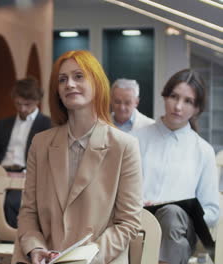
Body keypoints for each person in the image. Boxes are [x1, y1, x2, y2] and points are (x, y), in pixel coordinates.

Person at [12, 50, 142, 264]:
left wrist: (86, 258)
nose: (69, 84)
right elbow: (28, 213)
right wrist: (35, 248)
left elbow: (127, 223)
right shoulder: (40, 143)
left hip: (98, 260)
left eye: (78, 76)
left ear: (97, 83)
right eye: (62, 80)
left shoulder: (124, 146)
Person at [133, 69, 220, 264]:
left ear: (197, 108)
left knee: (171, 214)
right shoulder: (135, 139)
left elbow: (212, 211)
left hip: (181, 230)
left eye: (188, 101)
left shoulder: (203, 151)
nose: (178, 106)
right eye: (174, 97)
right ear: (165, 96)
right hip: (138, 226)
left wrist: (183, 213)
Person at [0, 77, 51, 228]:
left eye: (27, 105)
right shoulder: (3, 124)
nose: (22, 109)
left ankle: (9, 243)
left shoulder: (47, 124)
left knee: (11, 202)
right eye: (18, 104)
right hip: (0, 173)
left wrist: (25, 174)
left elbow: (48, 161)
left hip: (27, 177)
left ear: (37, 101)